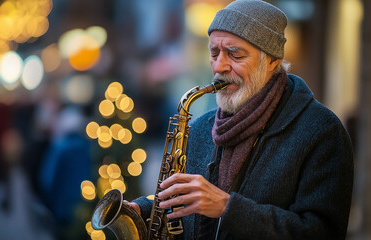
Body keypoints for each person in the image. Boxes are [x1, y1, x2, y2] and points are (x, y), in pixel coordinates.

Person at [128, 0, 354, 239]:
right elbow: (185, 210)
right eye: (214, 53)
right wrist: (143, 210)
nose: (220, 66)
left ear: (272, 60)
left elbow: (322, 232)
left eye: (235, 54)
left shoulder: (322, 131)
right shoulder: (200, 128)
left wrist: (228, 208)